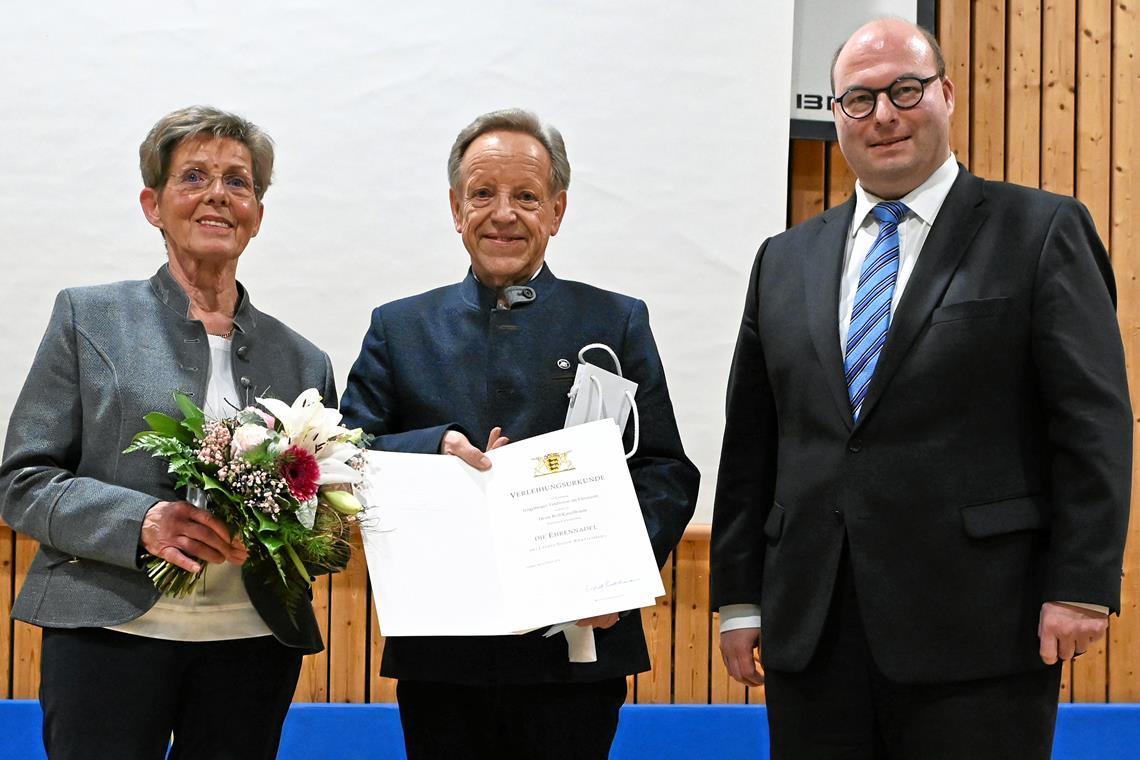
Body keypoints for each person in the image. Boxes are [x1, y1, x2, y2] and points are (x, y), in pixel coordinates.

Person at [710, 18, 1131, 760]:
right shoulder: (784, 259)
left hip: (982, 626)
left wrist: (1081, 584)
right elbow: (753, 443)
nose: (884, 115)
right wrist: (739, 599)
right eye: (860, 100)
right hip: (813, 628)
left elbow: (1093, 421)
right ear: (836, 115)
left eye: (905, 90)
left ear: (947, 94)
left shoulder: (1039, 230)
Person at [340, 108, 699, 759]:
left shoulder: (616, 321)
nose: (503, 213)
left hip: (576, 651)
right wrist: (437, 447)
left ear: (557, 211)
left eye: (526, 196)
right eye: (483, 193)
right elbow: (345, 458)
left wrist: (614, 579)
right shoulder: (399, 328)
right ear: (456, 207)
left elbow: (665, 472)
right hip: (442, 653)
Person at [0, 106, 337, 759]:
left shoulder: (304, 361)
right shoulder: (88, 318)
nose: (218, 194)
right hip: (106, 630)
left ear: (257, 215)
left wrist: (300, 523)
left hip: (252, 645)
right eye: (194, 177)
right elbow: (22, 481)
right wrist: (142, 521)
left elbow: (317, 501)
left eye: (238, 182)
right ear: (153, 204)